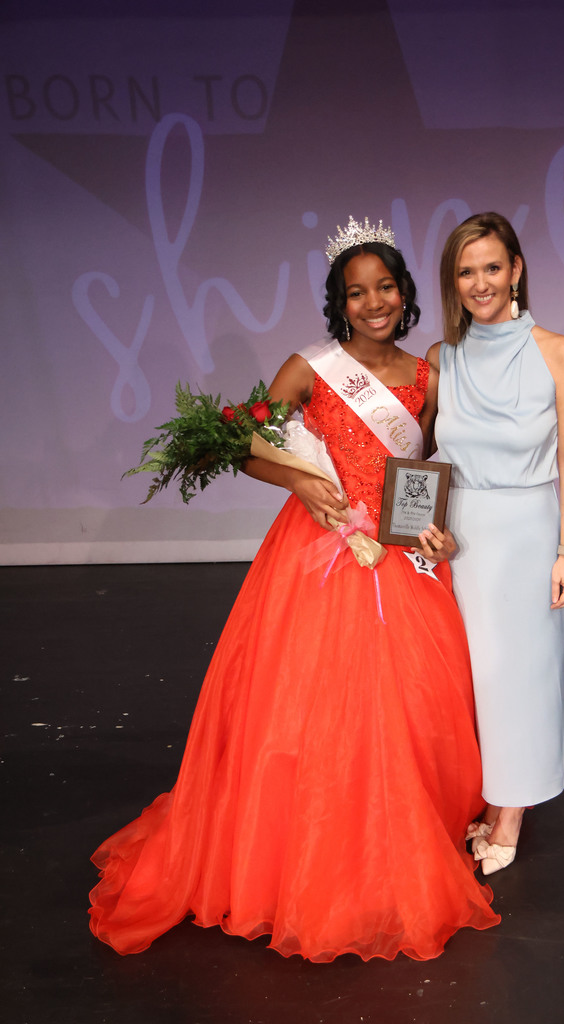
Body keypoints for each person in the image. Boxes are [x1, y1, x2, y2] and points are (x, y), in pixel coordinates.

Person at [89, 216, 500, 962]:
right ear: (338, 303)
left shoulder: (427, 376)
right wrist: (303, 481)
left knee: (410, 697)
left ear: (404, 293)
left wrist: (432, 528)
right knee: (310, 702)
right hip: (319, 549)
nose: (372, 302)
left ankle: (401, 826)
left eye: (384, 288)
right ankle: (308, 845)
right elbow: (245, 445)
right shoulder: (309, 367)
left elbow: (426, 467)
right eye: (356, 293)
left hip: (400, 554)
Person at [427, 212, 564, 876]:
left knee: (517, 676)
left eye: (492, 267)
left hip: (526, 533)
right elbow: (423, 458)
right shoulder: (444, 359)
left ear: (517, 269)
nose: (480, 283)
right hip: (460, 538)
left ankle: (509, 813)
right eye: (466, 272)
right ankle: (488, 791)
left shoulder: (559, 352)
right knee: (469, 679)